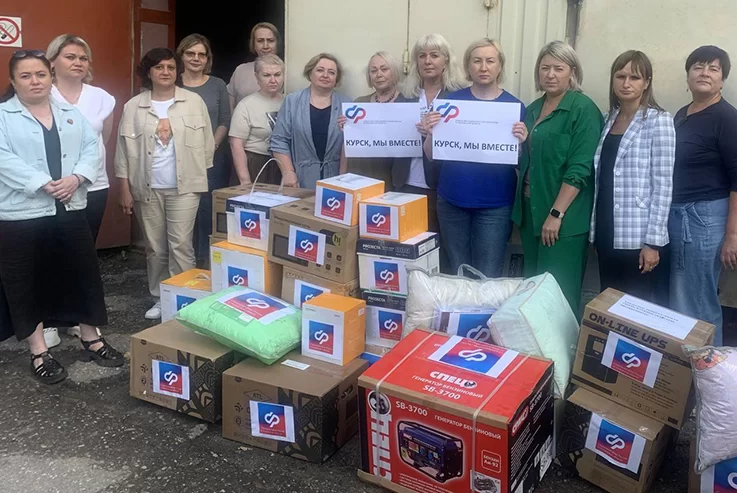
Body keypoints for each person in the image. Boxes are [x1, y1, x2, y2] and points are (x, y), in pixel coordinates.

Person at [0, 50, 124, 384]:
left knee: (81, 272)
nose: (35, 81)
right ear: (13, 81)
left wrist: (77, 177)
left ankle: (91, 338)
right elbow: (3, 158)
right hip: (20, 214)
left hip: (69, 206)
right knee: (26, 280)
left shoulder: (70, 113)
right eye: (25, 76)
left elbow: (91, 148)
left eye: (40, 74)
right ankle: (39, 351)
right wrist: (43, 183)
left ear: (50, 77)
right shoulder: (3, 116)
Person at [114, 48, 214, 320]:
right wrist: (124, 188)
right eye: (159, 67)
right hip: (146, 188)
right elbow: (123, 150)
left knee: (181, 244)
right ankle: (160, 297)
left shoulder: (193, 102)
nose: (166, 72)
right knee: (155, 248)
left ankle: (185, 299)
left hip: (185, 188)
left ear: (177, 71)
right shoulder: (133, 106)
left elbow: (207, 145)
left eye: (170, 67)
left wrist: (197, 176)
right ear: (149, 72)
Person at [420, 39, 527, 278]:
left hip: (495, 205)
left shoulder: (515, 107)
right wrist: (430, 133)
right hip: (452, 200)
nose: (483, 67)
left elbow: (520, 163)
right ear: (468, 66)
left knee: (487, 275)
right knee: (457, 272)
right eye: (477, 61)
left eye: (490, 61)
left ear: (500, 66)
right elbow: (431, 155)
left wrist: (521, 144)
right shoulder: (449, 102)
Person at [512, 41, 603, 316]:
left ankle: (564, 345)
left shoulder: (583, 109)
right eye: (545, 68)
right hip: (531, 213)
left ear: (572, 72)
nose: (550, 74)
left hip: (563, 219)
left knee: (558, 295)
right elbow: (528, 160)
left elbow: (580, 168)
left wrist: (556, 213)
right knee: (533, 293)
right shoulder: (532, 109)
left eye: (558, 68)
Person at [45, 34, 116, 346]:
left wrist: (82, 173)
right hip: (52, 190)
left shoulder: (101, 97)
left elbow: (103, 138)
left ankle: (76, 318)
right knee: (50, 254)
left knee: (82, 256)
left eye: (83, 58)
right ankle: (49, 320)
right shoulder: (41, 93)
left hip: (93, 185)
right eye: (70, 56)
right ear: (52, 62)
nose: (77, 62)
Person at [591, 50, 675, 301]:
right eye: (620, 76)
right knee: (608, 300)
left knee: (636, 307)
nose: (626, 83)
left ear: (646, 82)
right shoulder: (607, 120)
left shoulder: (659, 121)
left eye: (635, 77)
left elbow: (663, 184)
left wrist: (653, 242)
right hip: (606, 228)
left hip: (638, 235)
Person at [669, 45, 737, 345]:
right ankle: (684, 365)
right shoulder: (682, 114)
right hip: (679, 214)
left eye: (713, 68)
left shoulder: (727, 117)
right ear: (688, 76)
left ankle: (709, 366)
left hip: (706, 217)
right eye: (698, 67)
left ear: (722, 79)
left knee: (698, 299)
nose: (705, 73)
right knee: (682, 295)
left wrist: (732, 235)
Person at [394, 33, 467, 235]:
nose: (427, 61)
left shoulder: (458, 97)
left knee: (438, 244)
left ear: (446, 61)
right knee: (406, 242)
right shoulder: (405, 95)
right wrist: (353, 126)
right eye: (422, 56)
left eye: (434, 55)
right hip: (404, 183)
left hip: (440, 185)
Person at [177, 34, 231, 268]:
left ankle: (206, 262)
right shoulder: (172, 82)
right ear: (181, 55)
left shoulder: (217, 84)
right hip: (178, 158)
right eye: (190, 53)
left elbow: (225, 120)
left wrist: (212, 146)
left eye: (201, 54)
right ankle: (183, 260)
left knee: (208, 209)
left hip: (212, 157)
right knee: (181, 209)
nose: (196, 58)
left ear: (208, 58)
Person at [269, 53, 350, 189]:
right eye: (320, 70)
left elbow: (350, 146)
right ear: (310, 73)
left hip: (336, 180)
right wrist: (288, 172)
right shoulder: (292, 101)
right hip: (299, 179)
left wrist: (343, 178)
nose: (325, 75)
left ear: (337, 78)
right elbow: (278, 140)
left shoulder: (347, 105)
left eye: (331, 72)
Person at [338, 51, 403, 185]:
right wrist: (341, 177)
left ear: (395, 72)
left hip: (391, 180)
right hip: (357, 176)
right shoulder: (359, 103)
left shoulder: (407, 104)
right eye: (373, 71)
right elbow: (347, 145)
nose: (379, 74)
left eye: (384, 69)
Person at [229, 54, 285, 185]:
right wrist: (245, 181)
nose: (273, 80)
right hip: (254, 163)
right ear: (257, 77)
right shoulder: (246, 105)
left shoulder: (289, 102)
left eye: (277, 75)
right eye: (266, 75)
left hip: (281, 164)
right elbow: (236, 145)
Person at [227, 22, 280, 111]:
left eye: (270, 40)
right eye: (260, 41)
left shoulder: (286, 71)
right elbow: (229, 105)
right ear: (253, 44)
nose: (265, 46)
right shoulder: (241, 70)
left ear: (277, 43)